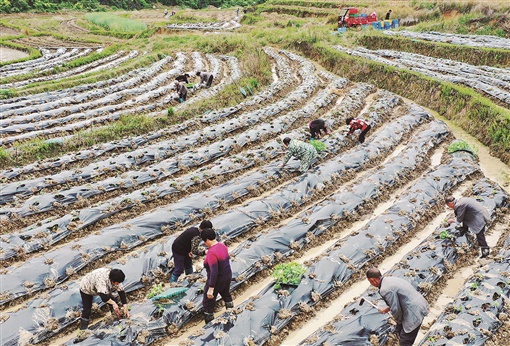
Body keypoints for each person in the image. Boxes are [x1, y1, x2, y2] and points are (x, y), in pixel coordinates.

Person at [366, 268, 428, 346]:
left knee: (405, 340)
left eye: (369, 281)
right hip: (419, 304)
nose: (370, 283)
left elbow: (396, 309)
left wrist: (397, 319)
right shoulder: (389, 280)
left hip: (414, 312)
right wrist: (387, 309)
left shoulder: (385, 289)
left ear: (372, 280)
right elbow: (398, 299)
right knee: (399, 329)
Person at [201, 228, 233, 324]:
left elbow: (214, 271)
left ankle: (209, 327)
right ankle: (232, 314)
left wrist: (211, 288)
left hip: (217, 280)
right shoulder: (222, 246)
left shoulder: (211, 253)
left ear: (207, 240)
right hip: (227, 276)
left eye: (204, 241)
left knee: (208, 304)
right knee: (226, 294)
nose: (204, 244)